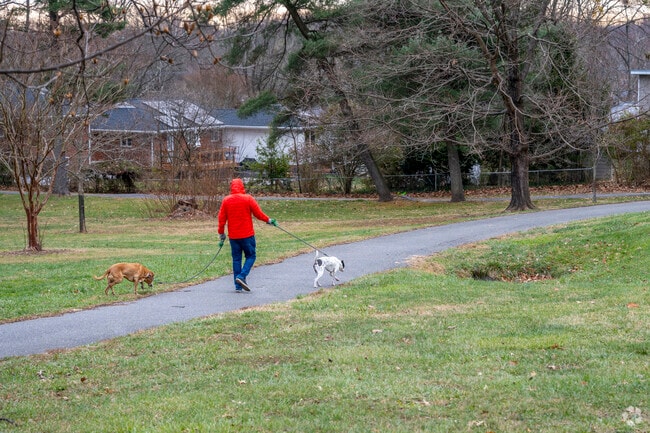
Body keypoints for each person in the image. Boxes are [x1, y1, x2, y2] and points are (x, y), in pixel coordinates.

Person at [217, 178, 277, 292]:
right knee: (251, 256)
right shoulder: (248, 199)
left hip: (234, 237)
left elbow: (221, 219)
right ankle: (241, 276)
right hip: (247, 235)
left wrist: (221, 233)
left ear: (231, 187)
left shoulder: (226, 200)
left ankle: (238, 286)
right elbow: (258, 214)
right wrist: (269, 220)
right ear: (242, 186)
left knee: (236, 260)